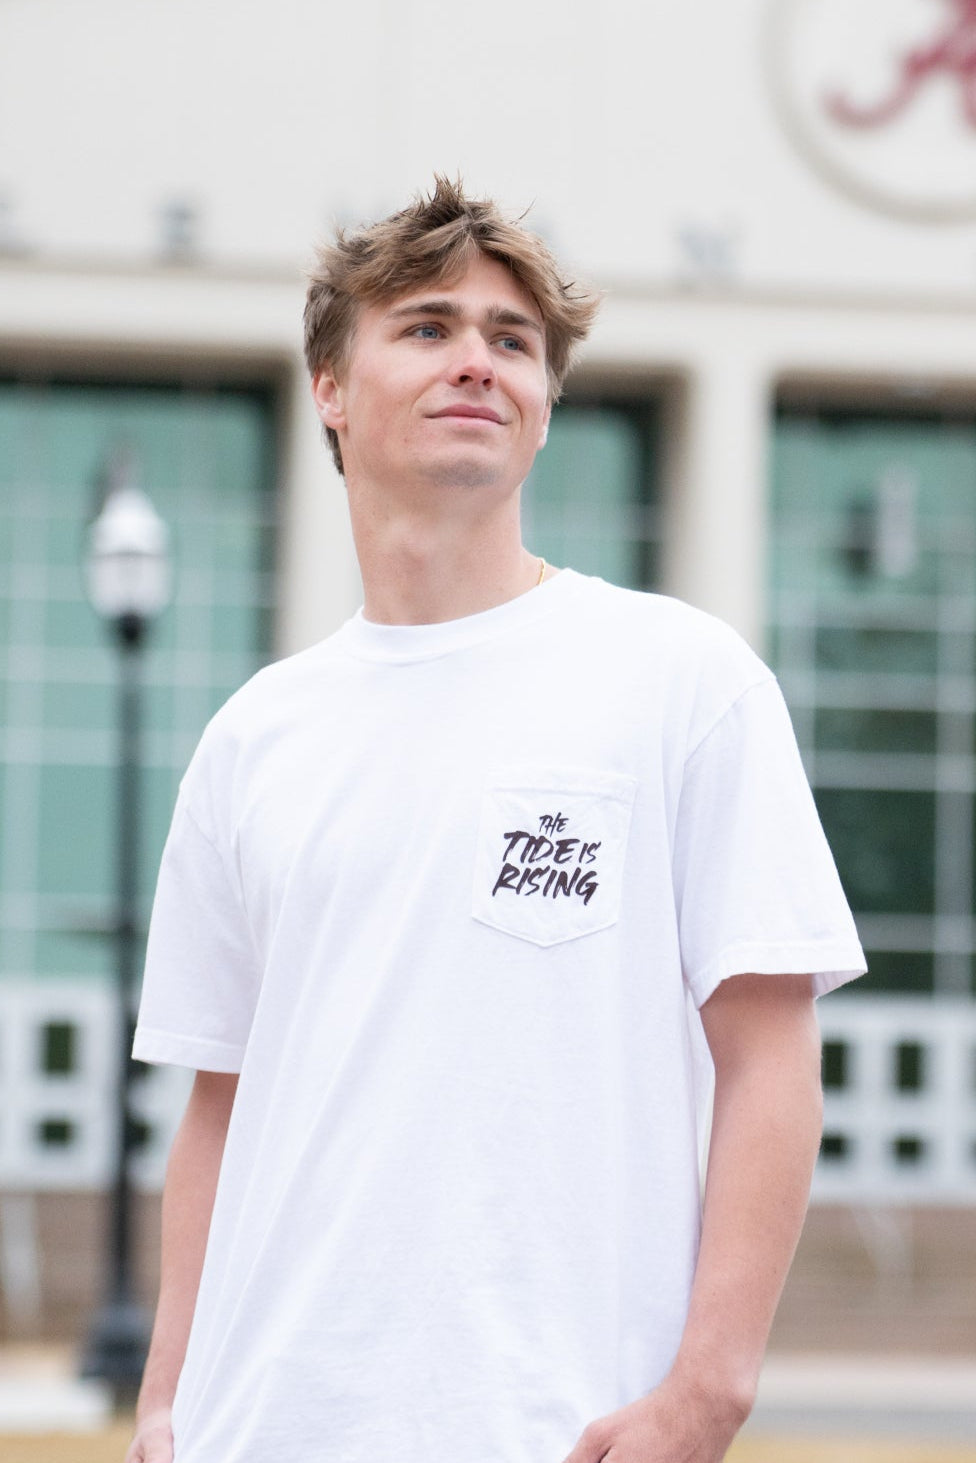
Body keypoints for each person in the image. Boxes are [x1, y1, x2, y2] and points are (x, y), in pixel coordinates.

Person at [126, 176, 865, 1463]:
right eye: (425, 327)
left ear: (543, 405)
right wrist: (164, 1401)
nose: (476, 359)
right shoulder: (254, 739)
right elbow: (220, 1104)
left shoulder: (681, 683)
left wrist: (707, 1389)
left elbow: (770, 1059)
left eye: (511, 340)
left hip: (555, 1426)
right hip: (264, 1428)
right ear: (331, 390)